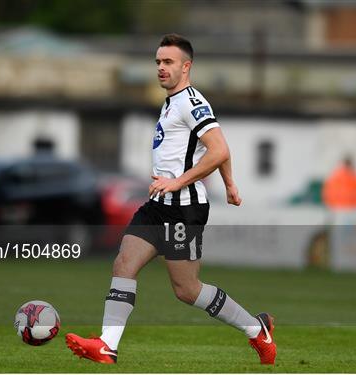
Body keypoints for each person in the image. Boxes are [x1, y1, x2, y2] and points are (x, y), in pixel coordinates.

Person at [65, 34, 276, 365]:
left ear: (186, 66)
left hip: (184, 209)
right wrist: (230, 183)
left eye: (168, 62)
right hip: (157, 205)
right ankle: (107, 344)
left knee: (187, 290)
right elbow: (215, 148)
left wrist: (179, 181)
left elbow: (218, 147)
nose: (161, 68)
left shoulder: (191, 102)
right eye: (158, 63)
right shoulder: (172, 101)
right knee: (123, 263)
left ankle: (257, 330)